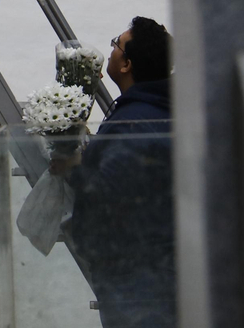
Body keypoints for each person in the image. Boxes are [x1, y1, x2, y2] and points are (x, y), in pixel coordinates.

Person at [62, 17, 174, 328]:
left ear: (126, 64)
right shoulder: (157, 110)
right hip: (153, 274)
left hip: (135, 280)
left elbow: (108, 195)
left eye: (116, 45)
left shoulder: (132, 123)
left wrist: (73, 169)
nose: (110, 51)